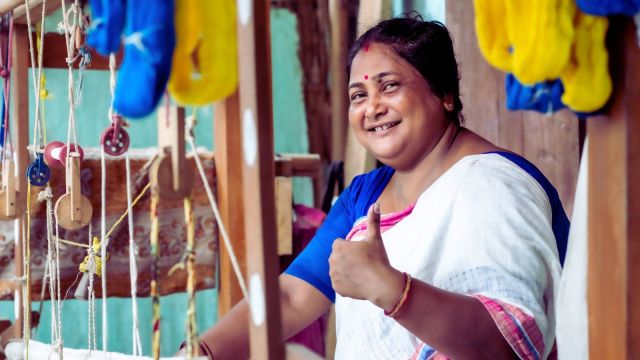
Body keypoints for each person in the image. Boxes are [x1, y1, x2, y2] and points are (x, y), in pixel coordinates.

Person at [192, 15, 568, 360]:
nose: (372, 108)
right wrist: (200, 353)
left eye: (389, 87)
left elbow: (509, 344)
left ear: (445, 95)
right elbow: (291, 297)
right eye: (358, 95)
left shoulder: (495, 186)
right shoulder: (363, 197)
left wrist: (393, 290)